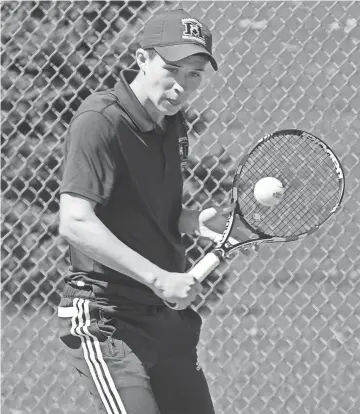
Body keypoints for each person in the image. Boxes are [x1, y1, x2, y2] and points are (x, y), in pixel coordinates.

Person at [57, 8, 240, 414]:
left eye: (194, 74)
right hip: (107, 319)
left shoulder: (171, 122)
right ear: (141, 59)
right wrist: (159, 278)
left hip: (164, 322)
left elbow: (144, 210)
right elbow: (75, 221)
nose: (181, 86)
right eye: (171, 68)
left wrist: (191, 220)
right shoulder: (100, 120)